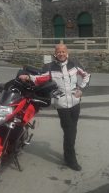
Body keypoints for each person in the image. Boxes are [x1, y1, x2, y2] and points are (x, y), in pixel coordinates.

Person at [18, 43, 90, 171]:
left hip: (75, 103)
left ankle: (68, 153)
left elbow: (87, 75)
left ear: (67, 52)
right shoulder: (50, 67)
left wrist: (81, 88)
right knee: (69, 131)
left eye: (63, 51)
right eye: (59, 52)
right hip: (62, 105)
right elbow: (40, 78)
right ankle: (71, 160)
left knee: (72, 130)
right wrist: (28, 77)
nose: (61, 54)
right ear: (55, 53)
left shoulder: (74, 64)